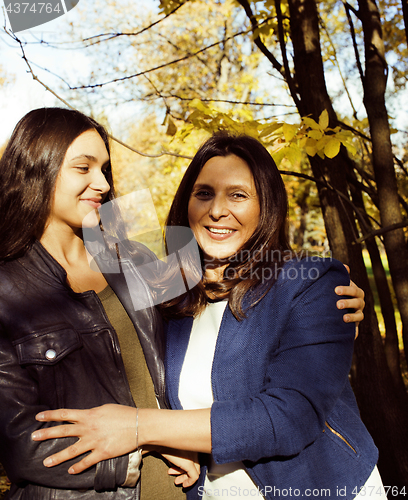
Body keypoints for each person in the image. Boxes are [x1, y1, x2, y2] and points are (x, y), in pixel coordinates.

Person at [30, 132, 386, 500]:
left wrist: (140, 427)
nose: (217, 210)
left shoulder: (307, 283)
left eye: (238, 195)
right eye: (204, 194)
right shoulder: (170, 289)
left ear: (268, 206)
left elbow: (289, 418)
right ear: (187, 203)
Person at [0, 107, 199, 500]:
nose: (103, 184)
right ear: (37, 170)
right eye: (83, 168)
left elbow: (211, 305)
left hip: (182, 490)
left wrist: (317, 294)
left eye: (104, 169)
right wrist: (148, 440)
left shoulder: (132, 257)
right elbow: (20, 440)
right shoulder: (6, 289)